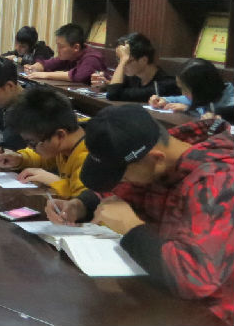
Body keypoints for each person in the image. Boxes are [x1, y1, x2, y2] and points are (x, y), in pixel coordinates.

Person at [53, 105, 233, 324]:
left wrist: (132, 228)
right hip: (163, 294)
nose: (121, 183)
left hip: (213, 313)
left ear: (157, 159)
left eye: (122, 176)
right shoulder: (164, 148)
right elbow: (123, 189)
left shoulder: (218, 181)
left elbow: (196, 278)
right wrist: (81, 204)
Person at [0, 86, 88, 197]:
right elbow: (44, 158)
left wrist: (54, 181)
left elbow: (85, 201)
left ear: (60, 135)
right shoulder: (66, 139)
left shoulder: (90, 156)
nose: (30, 147)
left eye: (33, 143)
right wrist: (20, 158)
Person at [91, 33, 179, 102]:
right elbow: (116, 89)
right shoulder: (133, 76)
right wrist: (106, 85)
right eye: (119, 59)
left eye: (126, 60)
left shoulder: (163, 85)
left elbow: (113, 94)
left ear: (144, 60)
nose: (122, 65)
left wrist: (122, 61)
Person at [24, 23, 106, 84]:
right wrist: (35, 67)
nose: (58, 50)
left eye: (61, 46)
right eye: (57, 46)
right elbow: (49, 63)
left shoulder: (92, 58)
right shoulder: (69, 56)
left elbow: (78, 76)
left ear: (76, 47)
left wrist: (45, 75)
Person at [150, 58, 234, 117]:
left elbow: (220, 121)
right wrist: (163, 100)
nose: (183, 94)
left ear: (200, 89)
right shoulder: (207, 95)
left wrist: (189, 109)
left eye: (185, 90)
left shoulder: (230, 103)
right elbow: (183, 99)